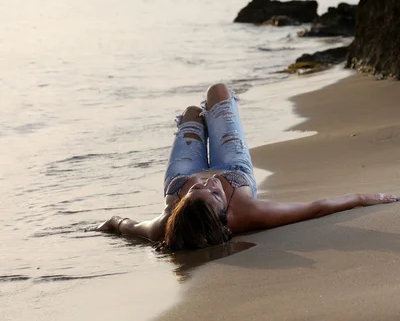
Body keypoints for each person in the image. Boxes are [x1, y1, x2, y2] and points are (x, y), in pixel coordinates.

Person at [96, 83, 398, 250]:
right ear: (224, 217)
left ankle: (195, 120)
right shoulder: (247, 214)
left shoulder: (164, 225)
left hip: (180, 174)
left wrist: (105, 224)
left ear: (179, 207)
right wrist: (367, 198)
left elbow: (124, 225)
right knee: (219, 91)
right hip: (233, 165)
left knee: (190, 113)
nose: (208, 183)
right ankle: (217, 111)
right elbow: (316, 207)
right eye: (213, 195)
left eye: (196, 192)